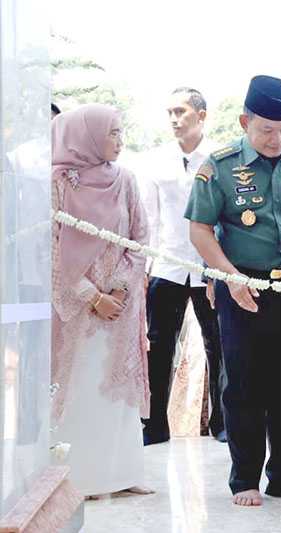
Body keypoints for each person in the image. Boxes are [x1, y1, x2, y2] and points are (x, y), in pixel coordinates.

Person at [185, 75, 281, 506]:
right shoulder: (221, 166)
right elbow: (200, 229)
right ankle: (244, 478)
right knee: (244, 385)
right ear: (246, 121)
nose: (277, 138)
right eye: (267, 129)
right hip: (242, 287)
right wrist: (228, 276)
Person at [51, 104, 152, 497]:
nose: (119, 141)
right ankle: (82, 478)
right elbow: (51, 248)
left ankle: (122, 474)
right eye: (112, 133)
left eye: (120, 132)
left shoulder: (125, 180)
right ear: (87, 135)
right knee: (80, 386)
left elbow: (141, 236)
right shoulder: (59, 182)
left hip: (120, 309)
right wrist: (92, 297)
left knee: (117, 387)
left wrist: (120, 290)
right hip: (77, 310)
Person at [140, 87, 226, 445]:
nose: (175, 119)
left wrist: (217, 270)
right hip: (167, 265)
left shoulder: (219, 159)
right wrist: (144, 269)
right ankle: (154, 425)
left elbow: (224, 219)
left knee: (218, 344)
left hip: (209, 266)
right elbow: (148, 218)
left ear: (201, 115)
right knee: (159, 346)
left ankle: (223, 424)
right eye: (170, 112)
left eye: (182, 111)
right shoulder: (155, 161)